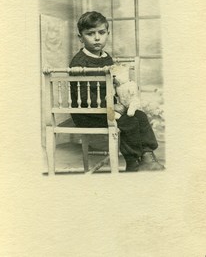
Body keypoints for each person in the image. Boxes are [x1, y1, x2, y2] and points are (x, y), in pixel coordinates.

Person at [68, 11, 164, 172]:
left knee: (139, 115)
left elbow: (114, 85)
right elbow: (83, 97)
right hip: (88, 113)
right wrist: (111, 106)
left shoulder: (106, 57)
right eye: (90, 34)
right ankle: (133, 160)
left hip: (108, 109)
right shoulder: (79, 62)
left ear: (108, 33)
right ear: (80, 37)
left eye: (101, 32)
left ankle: (147, 155)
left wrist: (121, 102)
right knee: (128, 121)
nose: (97, 38)